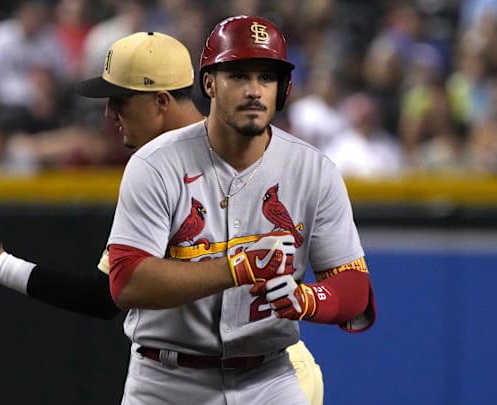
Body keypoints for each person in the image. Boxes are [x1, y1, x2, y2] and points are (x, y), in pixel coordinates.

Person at [0, 29, 327, 404]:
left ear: (161, 101)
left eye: (120, 100)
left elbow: (105, 297)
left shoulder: (247, 158)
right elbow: (105, 294)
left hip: (266, 374)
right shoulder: (158, 167)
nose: (109, 113)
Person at [105, 16, 375, 404]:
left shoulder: (313, 170)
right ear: (209, 83)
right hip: (165, 382)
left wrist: (307, 299)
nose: (254, 91)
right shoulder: (156, 164)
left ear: (283, 89)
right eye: (238, 76)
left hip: (269, 379)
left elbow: (355, 289)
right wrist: (237, 267)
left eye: (266, 77)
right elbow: (126, 281)